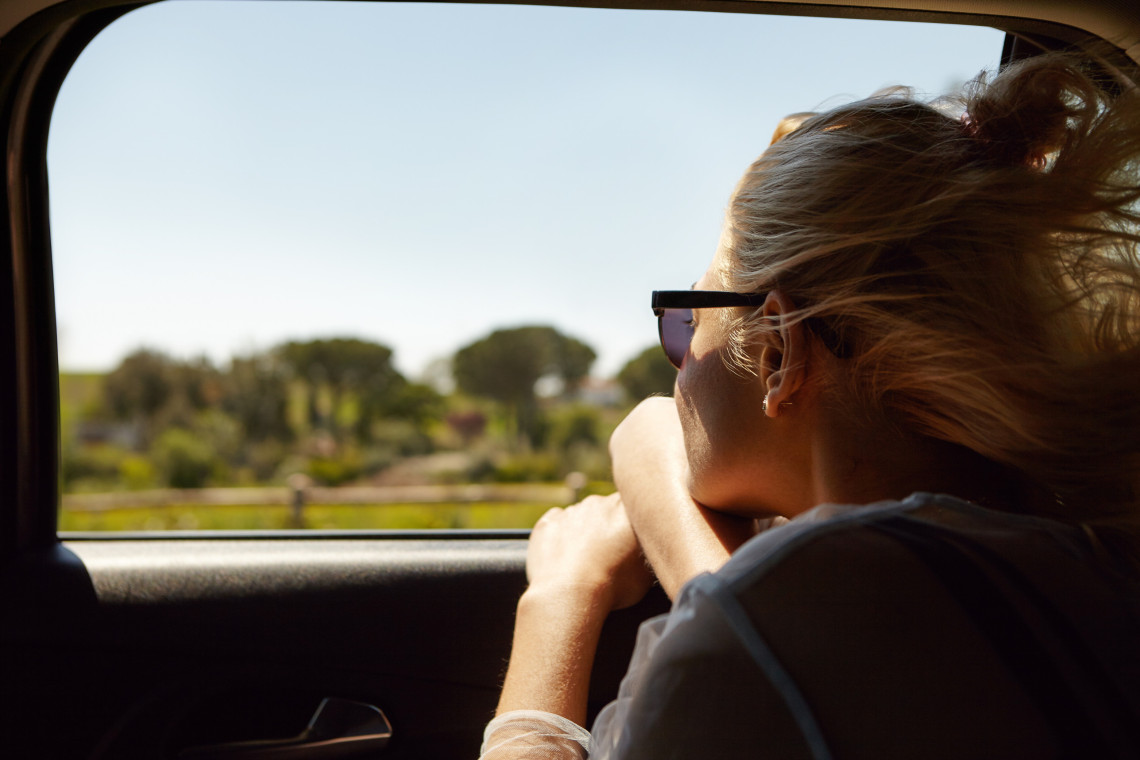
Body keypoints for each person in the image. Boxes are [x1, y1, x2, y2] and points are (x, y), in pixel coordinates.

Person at [481, 53, 1140, 759]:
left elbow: (789, 644)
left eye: (688, 326)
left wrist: (560, 597)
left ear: (778, 351)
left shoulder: (772, 630)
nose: (680, 369)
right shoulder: (1091, 567)